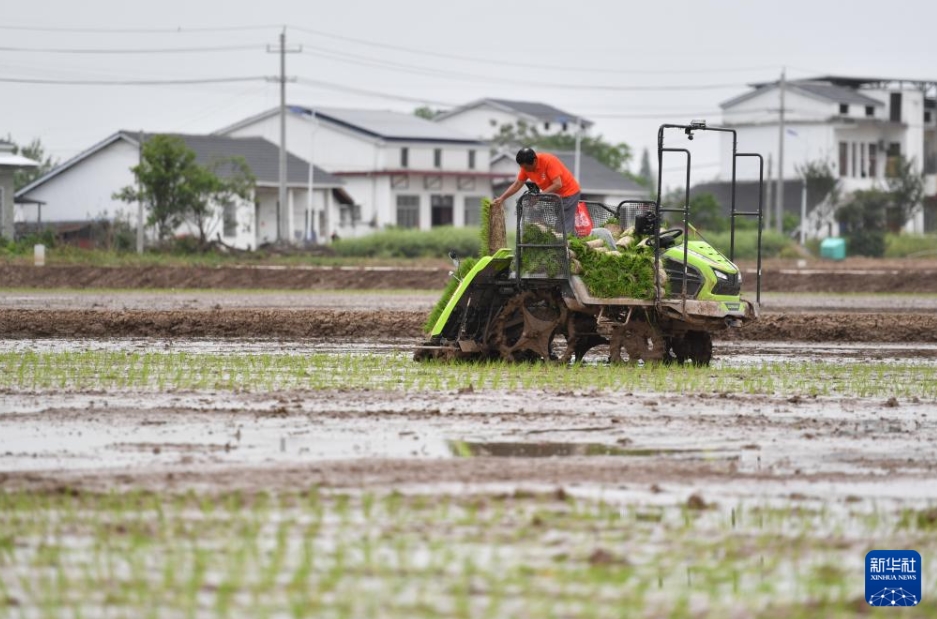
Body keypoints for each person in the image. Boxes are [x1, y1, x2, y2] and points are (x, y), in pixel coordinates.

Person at [491, 147, 582, 235]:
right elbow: (517, 184)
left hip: (569, 193)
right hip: (555, 196)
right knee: (558, 225)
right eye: (522, 167)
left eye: (526, 167)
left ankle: (567, 242)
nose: (525, 170)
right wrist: (502, 198)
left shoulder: (548, 161)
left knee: (562, 229)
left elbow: (558, 184)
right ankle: (570, 238)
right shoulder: (525, 167)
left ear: (535, 161)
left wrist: (539, 196)